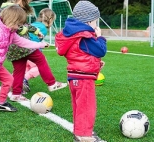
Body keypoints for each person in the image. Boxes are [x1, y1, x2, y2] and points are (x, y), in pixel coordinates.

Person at [55, 0, 107, 141]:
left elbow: (82, 55)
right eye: (96, 21)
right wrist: (100, 37)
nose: (96, 25)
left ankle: (80, 130)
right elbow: (101, 50)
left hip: (75, 76)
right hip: (84, 78)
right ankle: (83, 135)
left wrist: (96, 64)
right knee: (86, 107)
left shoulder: (73, 34)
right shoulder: (84, 36)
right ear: (89, 21)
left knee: (79, 106)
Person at [3, 0, 67, 102]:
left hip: (12, 49)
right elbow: (25, 27)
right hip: (24, 46)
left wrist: (36, 32)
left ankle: (15, 94)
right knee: (41, 59)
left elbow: (26, 26)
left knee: (19, 70)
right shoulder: (17, 11)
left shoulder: (9, 12)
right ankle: (52, 83)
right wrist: (37, 39)